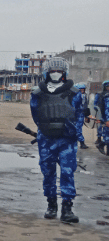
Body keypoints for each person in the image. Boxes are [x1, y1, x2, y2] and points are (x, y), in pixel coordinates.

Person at [30, 57, 83, 224]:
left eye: (59, 71)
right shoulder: (38, 93)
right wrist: (46, 128)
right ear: (47, 73)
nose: (55, 74)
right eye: (52, 71)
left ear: (64, 73)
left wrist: (75, 132)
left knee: (67, 172)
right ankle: (51, 205)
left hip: (67, 139)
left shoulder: (74, 93)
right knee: (48, 172)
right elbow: (35, 114)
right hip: (46, 139)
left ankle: (67, 208)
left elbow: (79, 115)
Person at [95, 80, 109, 154]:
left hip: (105, 118)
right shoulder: (106, 95)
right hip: (106, 118)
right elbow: (107, 109)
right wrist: (107, 120)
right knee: (107, 136)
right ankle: (101, 144)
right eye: (107, 86)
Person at [75, 83, 90, 149]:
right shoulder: (75, 97)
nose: (82, 91)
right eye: (81, 90)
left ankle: (81, 142)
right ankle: (81, 142)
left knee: (78, 129)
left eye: (83, 90)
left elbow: (85, 106)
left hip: (80, 115)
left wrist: (87, 115)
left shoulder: (84, 96)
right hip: (75, 115)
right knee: (77, 130)